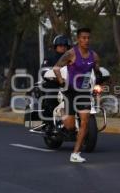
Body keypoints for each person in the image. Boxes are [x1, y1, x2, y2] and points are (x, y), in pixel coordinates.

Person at [53, 28, 102, 163]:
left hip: (84, 92)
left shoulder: (94, 56)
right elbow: (56, 68)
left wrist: (101, 78)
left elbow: (97, 70)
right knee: (69, 126)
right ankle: (62, 112)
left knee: (85, 123)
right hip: (70, 91)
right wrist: (60, 79)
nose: (86, 40)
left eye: (88, 38)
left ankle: (75, 153)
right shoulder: (71, 53)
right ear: (78, 39)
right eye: (83, 38)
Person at [41, 35, 71, 132]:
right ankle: (49, 123)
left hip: (71, 86)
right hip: (55, 85)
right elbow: (44, 70)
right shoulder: (50, 58)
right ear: (56, 47)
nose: (63, 47)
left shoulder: (72, 58)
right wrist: (50, 75)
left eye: (65, 45)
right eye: (60, 45)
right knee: (51, 97)